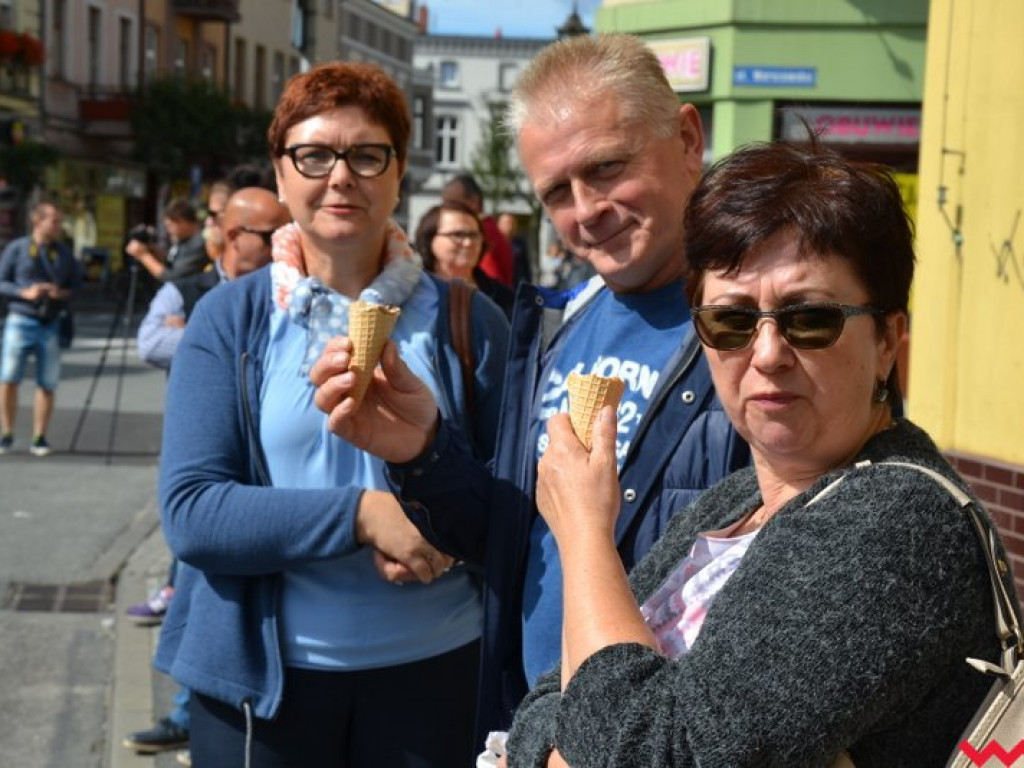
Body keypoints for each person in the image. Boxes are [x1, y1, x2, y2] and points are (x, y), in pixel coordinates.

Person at [505, 140, 1020, 767]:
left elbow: (657, 755)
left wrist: (584, 531)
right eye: (731, 321)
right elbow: (549, 694)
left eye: (809, 318)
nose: (768, 353)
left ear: (887, 339)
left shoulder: (896, 522)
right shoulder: (734, 502)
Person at [310, 33, 749, 744]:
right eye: (556, 192)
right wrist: (421, 450)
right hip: (532, 727)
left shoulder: (761, 334)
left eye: (607, 168)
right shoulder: (556, 326)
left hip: (662, 743)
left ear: (688, 137)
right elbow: (514, 542)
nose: (585, 211)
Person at [153, 61, 509, 767]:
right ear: (281, 175)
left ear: (399, 173)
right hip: (267, 691)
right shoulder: (232, 317)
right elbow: (193, 511)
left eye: (367, 155)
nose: (340, 175)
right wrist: (364, 516)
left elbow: (516, 505)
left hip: (437, 677)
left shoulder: (470, 319)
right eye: (314, 155)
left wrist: (445, 531)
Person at [123, 187, 291, 760]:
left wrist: (191, 331)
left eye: (282, 231)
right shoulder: (192, 286)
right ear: (229, 234)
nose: (276, 245)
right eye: (264, 234)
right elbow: (151, 341)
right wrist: (204, 333)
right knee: (199, 583)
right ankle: (186, 713)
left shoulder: (291, 290)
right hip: (209, 460)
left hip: (268, 467)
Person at [0, 201, 82, 456]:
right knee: (9, 378)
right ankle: (7, 433)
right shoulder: (17, 248)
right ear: (38, 221)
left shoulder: (65, 252)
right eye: (54, 221)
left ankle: (39, 436)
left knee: (47, 382)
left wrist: (61, 293)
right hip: (21, 317)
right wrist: (24, 292)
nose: (58, 226)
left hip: (51, 321)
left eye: (59, 221)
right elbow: (1, 282)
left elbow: (77, 286)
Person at [414, 200, 514, 318]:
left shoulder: (504, 299)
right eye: (457, 235)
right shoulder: (411, 294)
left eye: (474, 235)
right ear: (430, 240)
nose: (468, 243)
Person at [443, 172, 516, 288]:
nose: (447, 212)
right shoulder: (486, 229)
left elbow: (489, 282)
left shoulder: (481, 234)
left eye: (453, 204)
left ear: (473, 202)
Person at [125, 199, 209, 283]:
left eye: (170, 226)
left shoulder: (199, 243)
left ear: (183, 222)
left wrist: (143, 256)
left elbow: (172, 277)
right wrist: (154, 251)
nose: (168, 230)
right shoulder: (184, 239)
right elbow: (174, 260)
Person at [497, 211, 532, 286]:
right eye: (507, 223)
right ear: (499, 225)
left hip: (518, 284)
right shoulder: (495, 243)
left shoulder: (520, 242)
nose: (510, 227)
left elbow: (526, 266)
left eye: (512, 223)